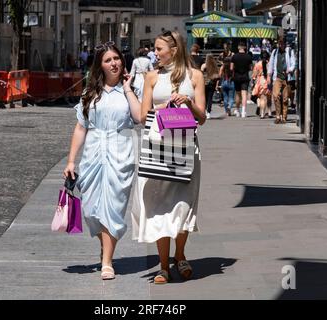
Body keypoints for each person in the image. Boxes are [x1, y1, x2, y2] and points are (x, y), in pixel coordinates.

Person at [131, 30, 206, 284]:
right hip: (158, 150)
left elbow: (203, 117)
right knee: (159, 208)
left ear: (173, 50)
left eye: (159, 49)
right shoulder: (151, 77)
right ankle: (163, 265)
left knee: (183, 207)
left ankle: (180, 254)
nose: (155, 53)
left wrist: (188, 102)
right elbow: (142, 116)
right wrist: (164, 107)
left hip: (186, 149)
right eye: (155, 48)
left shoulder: (195, 75)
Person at [63, 41, 141, 280]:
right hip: (93, 155)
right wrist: (71, 161)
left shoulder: (131, 90)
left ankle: (107, 260)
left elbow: (138, 117)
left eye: (116, 58)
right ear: (100, 65)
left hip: (120, 154)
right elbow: (80, 128)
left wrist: (128, 88)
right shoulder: (90, 93)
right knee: (91, 210)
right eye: (108, 60)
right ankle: (105, 244)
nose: (113, 63)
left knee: (114, 209)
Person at [267, 38, 296, 124]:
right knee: (275, 96)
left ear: (285, 44)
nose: (280, 45)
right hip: (277, 77)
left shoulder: (290, 51)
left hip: (287, 78)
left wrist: (289, 70)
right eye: (279, 43)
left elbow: (294, 63)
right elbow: (271, 64)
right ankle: (278, 116)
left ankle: (284, 117)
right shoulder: (275, 52)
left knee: (285, 99)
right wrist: (269, 75)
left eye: (282, 43)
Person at [231, 42, 253, 118]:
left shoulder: (234, 56)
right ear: (245, 47)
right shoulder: (248, 57)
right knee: (244, 95)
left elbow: (231, 68)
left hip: (237, 77)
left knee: (237, 94)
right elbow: (250, 68)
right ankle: (243, 111)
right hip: (245, 77)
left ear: (238, 47)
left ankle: (237, 110)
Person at [252, 50, 272, 119]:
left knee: (262, 98)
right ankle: (269, 112)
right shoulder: (269, 64)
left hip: (260, 81)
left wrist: (254, 81)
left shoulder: (257, 64)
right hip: (268, 81)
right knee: (269, 98)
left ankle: (262, 113)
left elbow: (254, 75)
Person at [201, 54, 220, 119]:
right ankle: (208, 112)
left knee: (205, 98)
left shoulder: (204, 65)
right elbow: (218, 75)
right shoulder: (214, 66)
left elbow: (201, 73)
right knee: (210, 98)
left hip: (205, 83)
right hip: (212, 83)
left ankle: (204, 111)